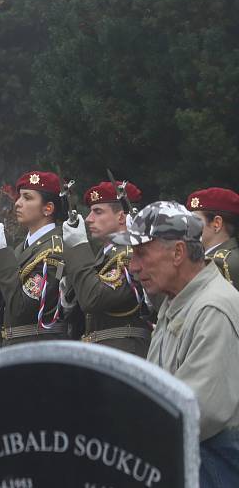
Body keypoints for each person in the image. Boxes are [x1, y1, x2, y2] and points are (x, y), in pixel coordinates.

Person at [112, 201, 239, 486]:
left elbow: (193, 414)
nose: (132, 266)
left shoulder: (213, 309)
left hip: (210, 468)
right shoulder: (177, 302)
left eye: (142, 253)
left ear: (179, 252)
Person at [62, 181, 151, 356]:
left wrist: (79, 246)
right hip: (102, 353)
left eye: (98, 212)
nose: (88, 219)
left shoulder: (129, 256)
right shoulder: (103, 257)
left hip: (125, 354)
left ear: (121, 217)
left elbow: (93, 298)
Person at [0, 171, 67, 344]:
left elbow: (22, 309)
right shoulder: (22, 248)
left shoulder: (53, 251)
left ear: (48, 208)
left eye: (27, 198)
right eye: (19, 197)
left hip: (39, 352)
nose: (17, 204)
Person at [186, 187, 239, 289]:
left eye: (193, 220)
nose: (187, 226)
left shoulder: (217, 265)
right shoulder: (232, 257)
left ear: (216, 224)